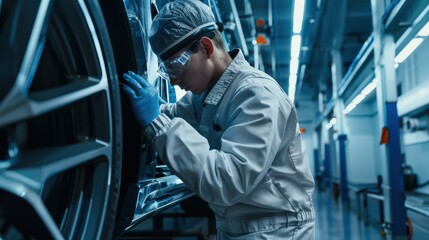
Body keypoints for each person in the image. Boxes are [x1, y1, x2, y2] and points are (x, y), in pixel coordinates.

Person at [122, 0, 315, 238]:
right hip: (239, 228)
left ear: (206, 47)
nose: (172, 81)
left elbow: (226, 181)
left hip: (278, 230)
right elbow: (171, 115)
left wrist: (155, 122)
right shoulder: (208, 96)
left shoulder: (256, 95)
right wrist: (148, 108)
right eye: (166, 70)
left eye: (175, 66)